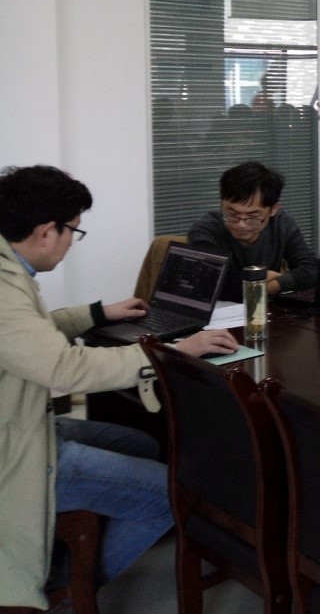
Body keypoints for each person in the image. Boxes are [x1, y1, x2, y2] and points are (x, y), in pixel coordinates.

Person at [0, 165, 237, 610]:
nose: (72, 243)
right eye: (74, 231)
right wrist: (172, 352)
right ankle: (69, 586)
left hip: (22, 423)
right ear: (47, 232)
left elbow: (27, 337)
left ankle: (86, 537)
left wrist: (97, 314)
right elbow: (63, 368)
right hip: (14, 454)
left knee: (141, 443)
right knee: (172, 494)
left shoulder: (8, 267)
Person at [188, 161, 319, 300]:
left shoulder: (281, 224)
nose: (241, 224)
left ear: (273, 209)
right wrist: (275, 281)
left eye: (253, 216)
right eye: (232, 214)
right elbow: (220, 286)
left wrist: (277, 283)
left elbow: (313, 269)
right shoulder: (206, 231)